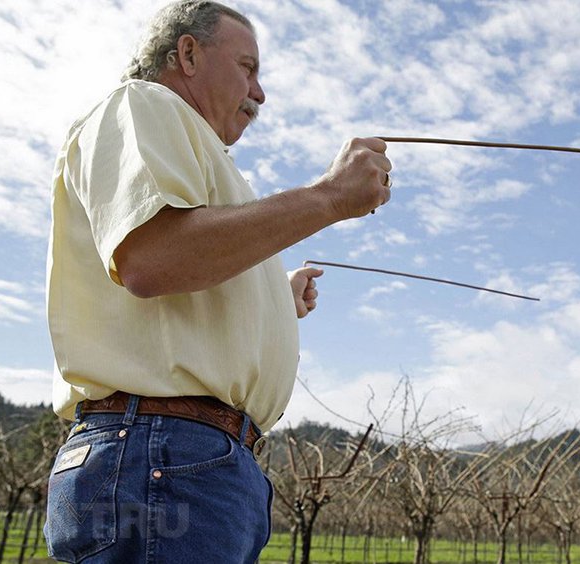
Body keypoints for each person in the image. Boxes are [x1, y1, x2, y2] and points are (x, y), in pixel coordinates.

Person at [43, 1, 392, 562]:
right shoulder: (143, 104)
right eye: (248, 68)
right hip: (162, 455)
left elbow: (186, 268)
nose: (260, 92)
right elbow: (155, 256)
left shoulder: (205, 158)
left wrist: (273, 297)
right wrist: (328, 197)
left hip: (188, 460)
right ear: (187, 54)